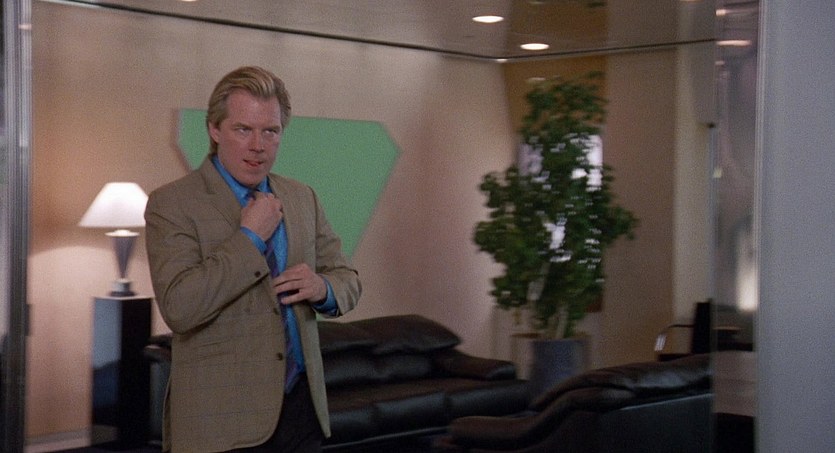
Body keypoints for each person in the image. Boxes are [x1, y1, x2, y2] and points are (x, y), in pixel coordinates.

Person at [145, 66, 361, 453]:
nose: (258, 145)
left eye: (270, 131)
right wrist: (249, 238)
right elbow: (180, 306)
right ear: (214, 129)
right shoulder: (172, 204)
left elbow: (347, 278)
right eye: (243, 129)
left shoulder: (302, 197)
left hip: (301, 411)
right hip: (221, 423)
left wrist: (322, 287)